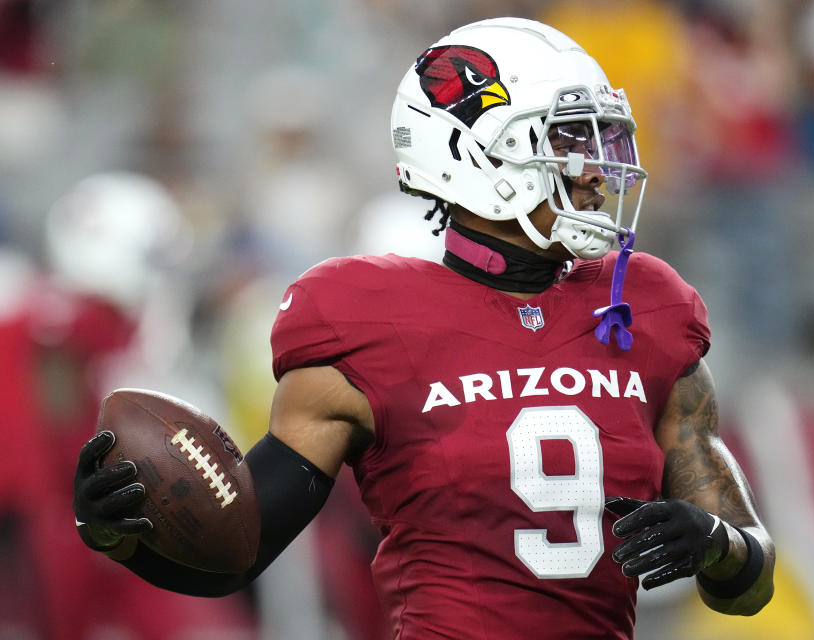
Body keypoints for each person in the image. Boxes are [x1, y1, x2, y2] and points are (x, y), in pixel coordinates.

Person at [73, 17, 775, 639]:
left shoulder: (648, 305)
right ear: (475, 154)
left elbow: (750, 578)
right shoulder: (362, 316)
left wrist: (717, 543)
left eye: (597, 139)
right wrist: (119, 532)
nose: (597, 171)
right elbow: (236, 552)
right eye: (567, 142)